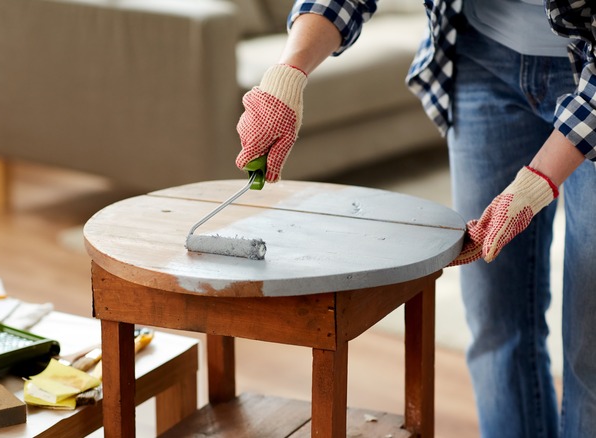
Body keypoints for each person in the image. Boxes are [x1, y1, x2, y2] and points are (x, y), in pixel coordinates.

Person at [234, 1, 596, 436]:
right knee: (495, 321)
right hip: (482, 54)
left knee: (589, 347)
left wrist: (540, 178)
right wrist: (288, 72)